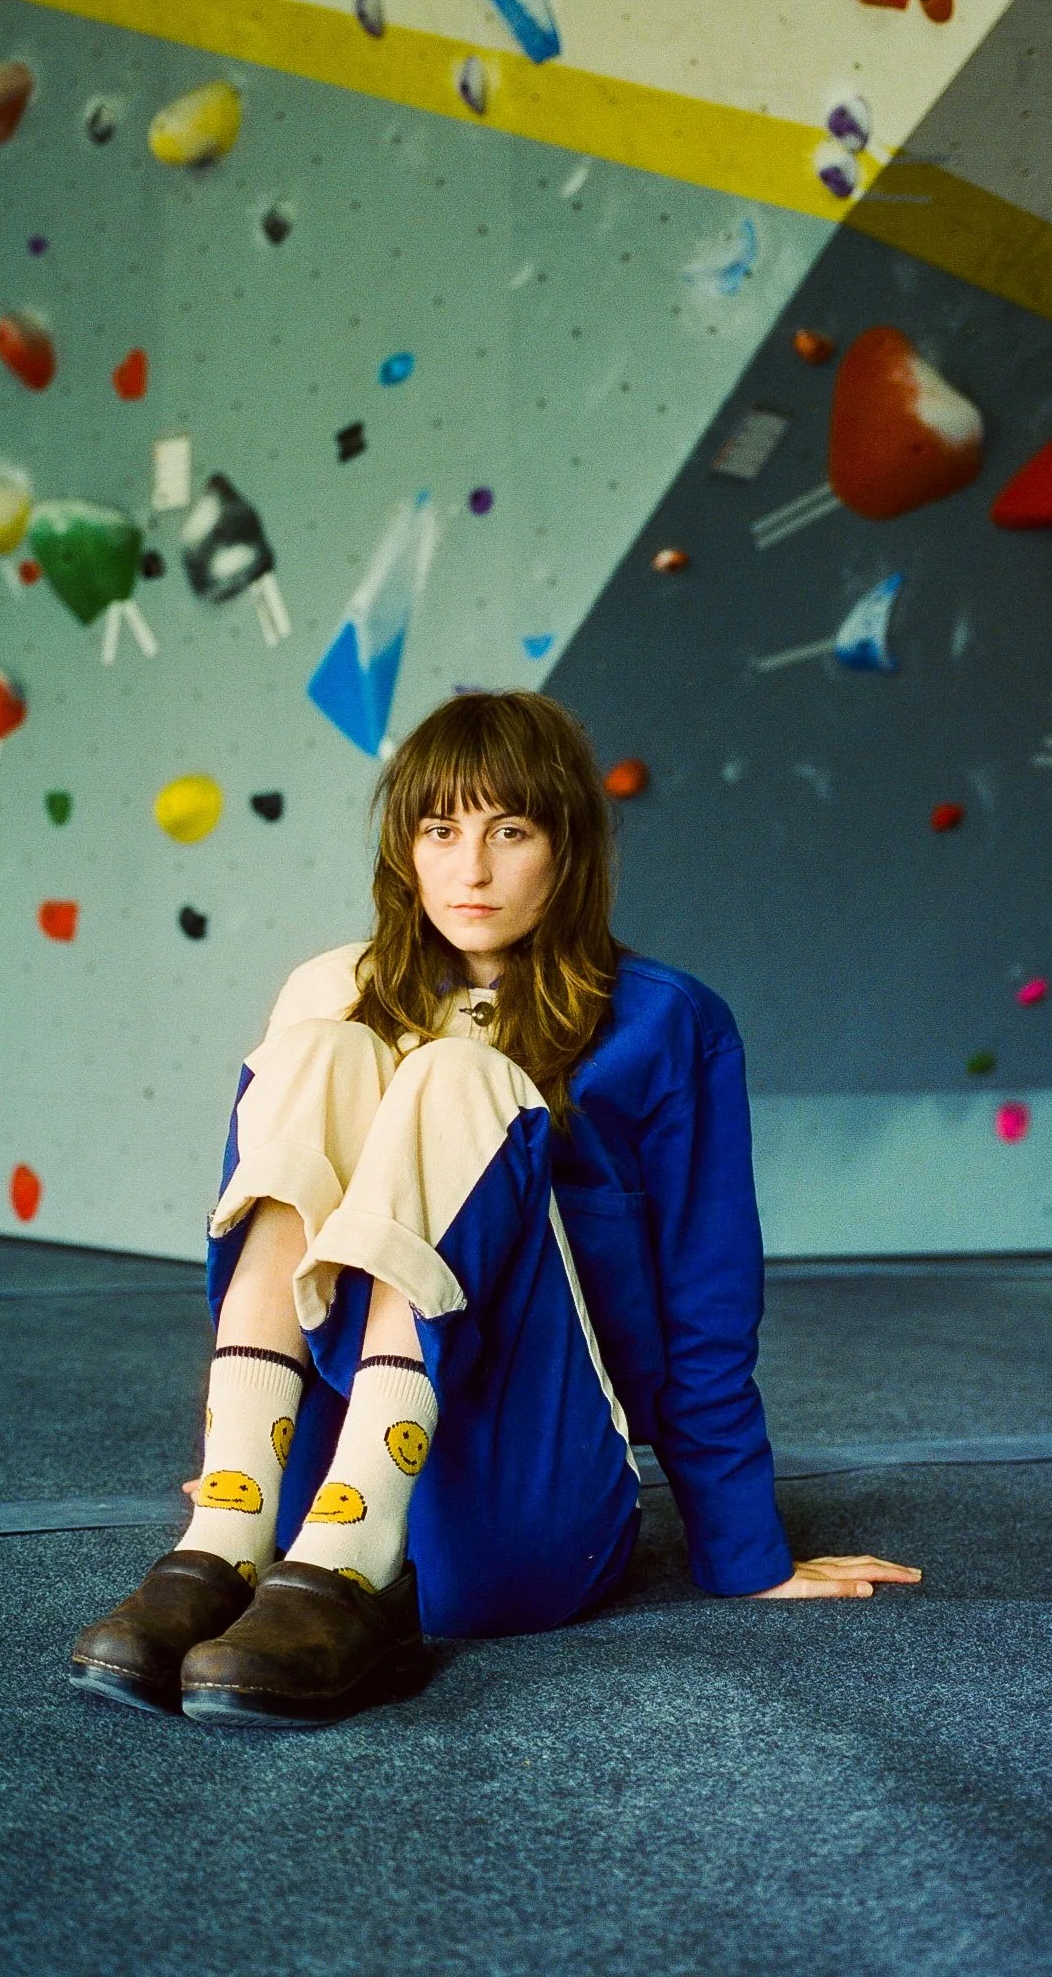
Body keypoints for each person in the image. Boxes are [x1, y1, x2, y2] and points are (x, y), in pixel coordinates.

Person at [71, 689, 918, 1727]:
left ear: (568, 848)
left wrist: (747, 1554)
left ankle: (354, 1563)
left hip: (529, 1511)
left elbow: (708, 1301)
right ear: (405, 848)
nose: (470, 868)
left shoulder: (668, 1021)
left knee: (454, 1076)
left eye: (509, 830)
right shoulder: (333, 989)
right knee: (327, 1035)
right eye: (441, 830)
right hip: (295, 1543)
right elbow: (266, 1246)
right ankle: (225, 1531)